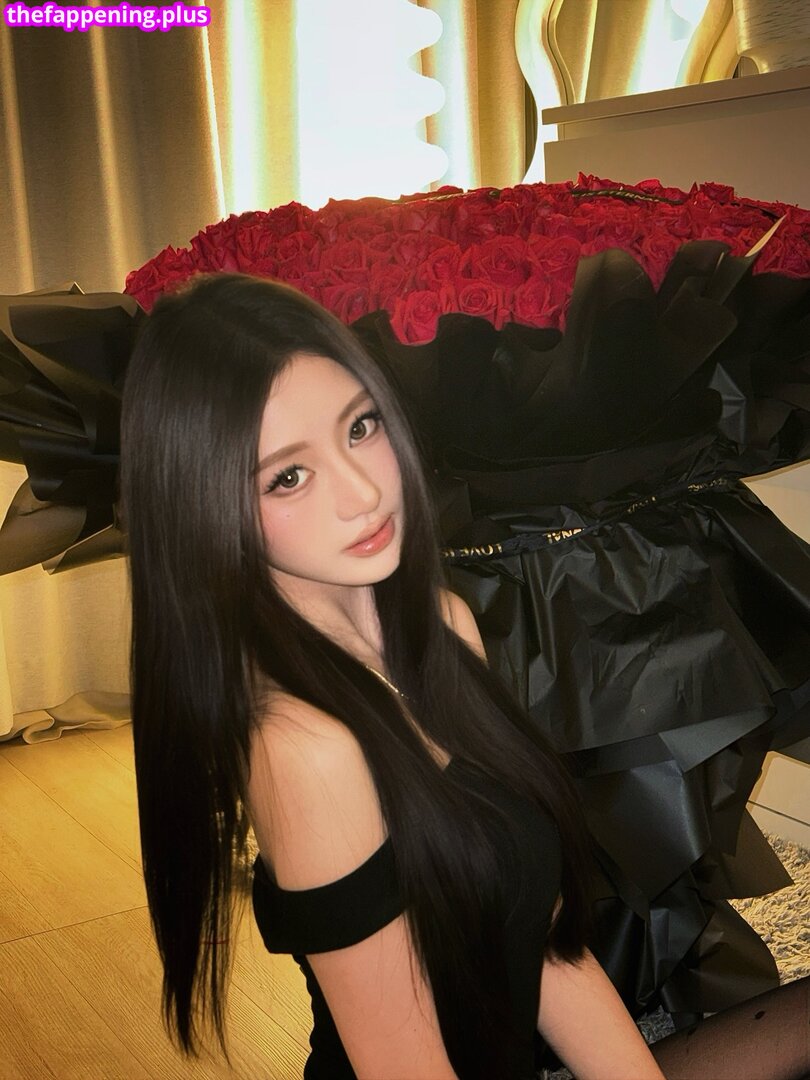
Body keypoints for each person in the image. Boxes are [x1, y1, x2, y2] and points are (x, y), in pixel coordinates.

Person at [120, 272, 809, 1080]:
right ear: (204, 510)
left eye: (361, 426)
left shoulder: (442, 625)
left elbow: (551, 952)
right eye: (288, 476)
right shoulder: (305, 749)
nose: (364, 492)